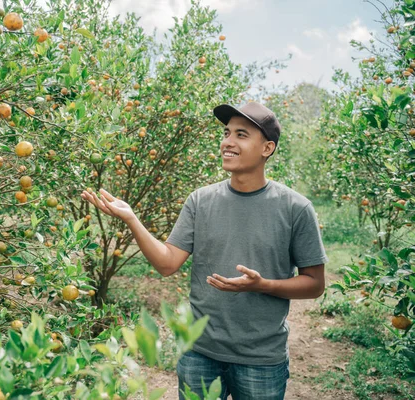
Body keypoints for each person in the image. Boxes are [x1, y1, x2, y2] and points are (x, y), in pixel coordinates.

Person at [80, 101, 328, 400]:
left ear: (267, 148)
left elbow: (314, 284)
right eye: (226, 133)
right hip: (199, 352)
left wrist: (263, 285)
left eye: (241, 134)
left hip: (261, 358)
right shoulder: (200, 201)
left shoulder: (296, 208)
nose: (228, 142)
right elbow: (167, 263)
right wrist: (132, 219)